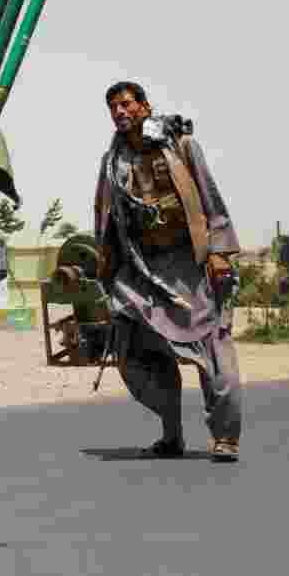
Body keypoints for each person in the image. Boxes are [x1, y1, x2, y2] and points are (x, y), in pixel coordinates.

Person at [94, 81, 242, 462]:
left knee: (212, 348)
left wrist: (220, 251)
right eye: (113, 107)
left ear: (145, 106)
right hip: (141, 270)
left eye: (126, 104)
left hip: (188, 267)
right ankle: (171, 436)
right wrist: (105, 259)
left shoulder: (182, 147)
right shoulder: (113, 161)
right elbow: (106, 216)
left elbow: (211, 201)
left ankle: (225, 436)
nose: (120, 112)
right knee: (134, 347)